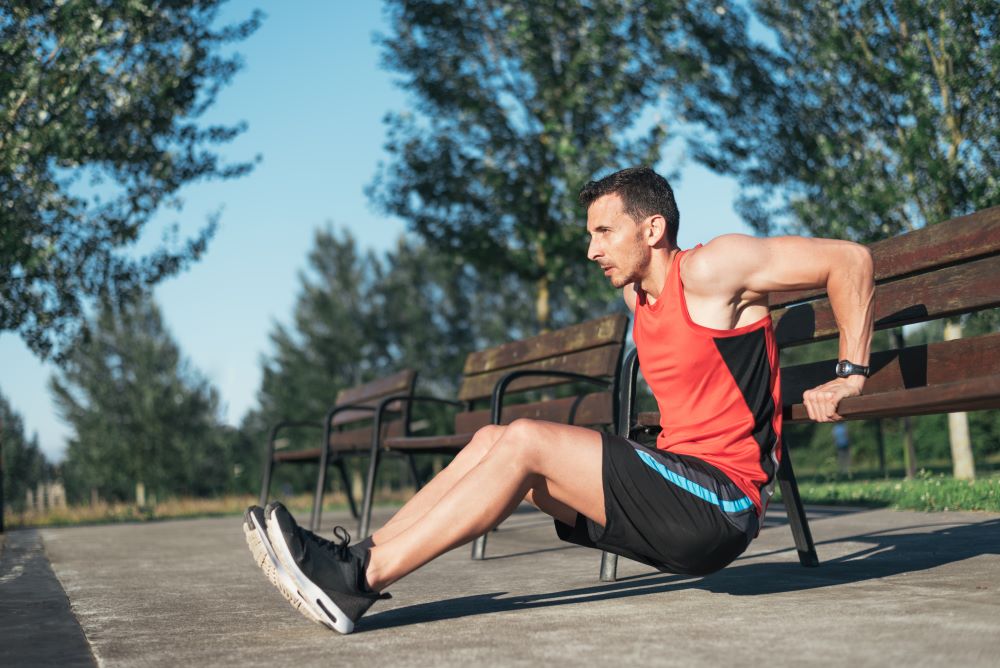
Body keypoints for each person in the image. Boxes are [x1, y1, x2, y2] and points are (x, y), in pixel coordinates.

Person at [243, 166, 875, 634]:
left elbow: (849, 261)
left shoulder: (713, 269)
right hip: (675, 491)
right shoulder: (637, 299)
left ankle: (358, 582)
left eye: (604, 231)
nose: (591, 249)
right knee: (493, 440)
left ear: (652, 228)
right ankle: (353, 559)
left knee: (523, 438)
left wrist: (850, 373)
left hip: (722, 503)